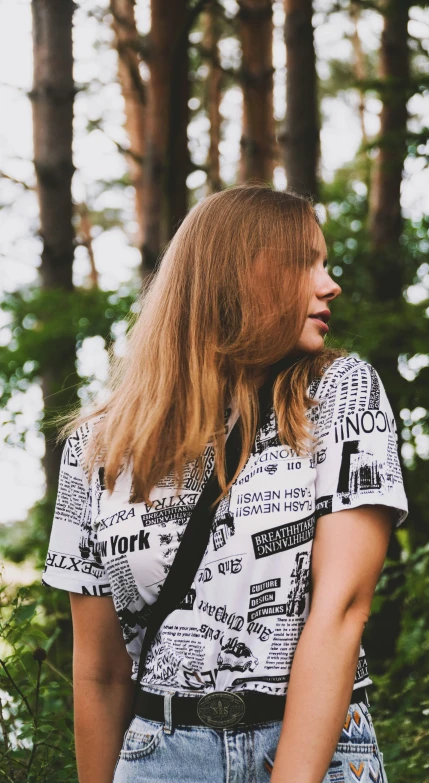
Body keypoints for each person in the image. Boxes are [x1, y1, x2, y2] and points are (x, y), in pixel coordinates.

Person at [43, 184, 408, 783]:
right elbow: (100, 672)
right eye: (305, 263)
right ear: (238, 276)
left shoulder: (341, 392)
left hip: (317, 750)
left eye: (327, 262)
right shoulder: (98, 446)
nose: (330, 284)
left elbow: (342, 611)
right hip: (159, 756)